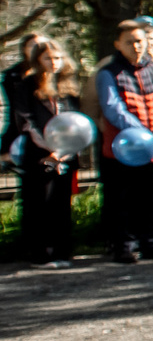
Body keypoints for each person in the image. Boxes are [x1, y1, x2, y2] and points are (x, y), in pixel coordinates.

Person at [95, 21, 153, 263]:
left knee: (149, 196)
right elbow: (113, 108)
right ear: (118, 44)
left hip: (152, 148)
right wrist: (143, 134)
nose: (135, 46)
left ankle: (150, 242)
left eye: (139, 41)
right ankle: (123, 245)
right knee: (121, 199)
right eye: (129, 42)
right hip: (122, 150)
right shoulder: (108, 73)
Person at [14, 37, 80, 266]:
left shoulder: (68, 87)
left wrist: (64, 150)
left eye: (58, 58)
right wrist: (49, 148)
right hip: (40, 155)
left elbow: (77, 121)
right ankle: (41, 253)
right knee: (40, 204)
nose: (54, 62)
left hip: (66, 154)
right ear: (38, 60)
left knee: (61, 204)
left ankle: (62, 251)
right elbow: (26, 122)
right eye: (48, 58)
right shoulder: (27, 86)